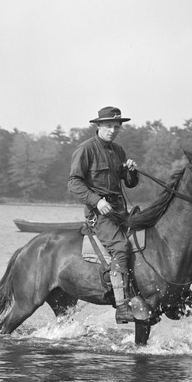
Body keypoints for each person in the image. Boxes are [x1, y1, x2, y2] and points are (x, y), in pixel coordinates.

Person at [67, 106, 140, 323]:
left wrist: (131, 172)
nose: (113, 130)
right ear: (98, 126)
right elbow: (73, 183)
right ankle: (122, 307)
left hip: (119, 211)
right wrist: (97, 202)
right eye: (108, 126)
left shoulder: (118, 151)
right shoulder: (86, 149)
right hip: (98, 214)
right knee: (120, 247)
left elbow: (130, 184)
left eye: (116, 127)